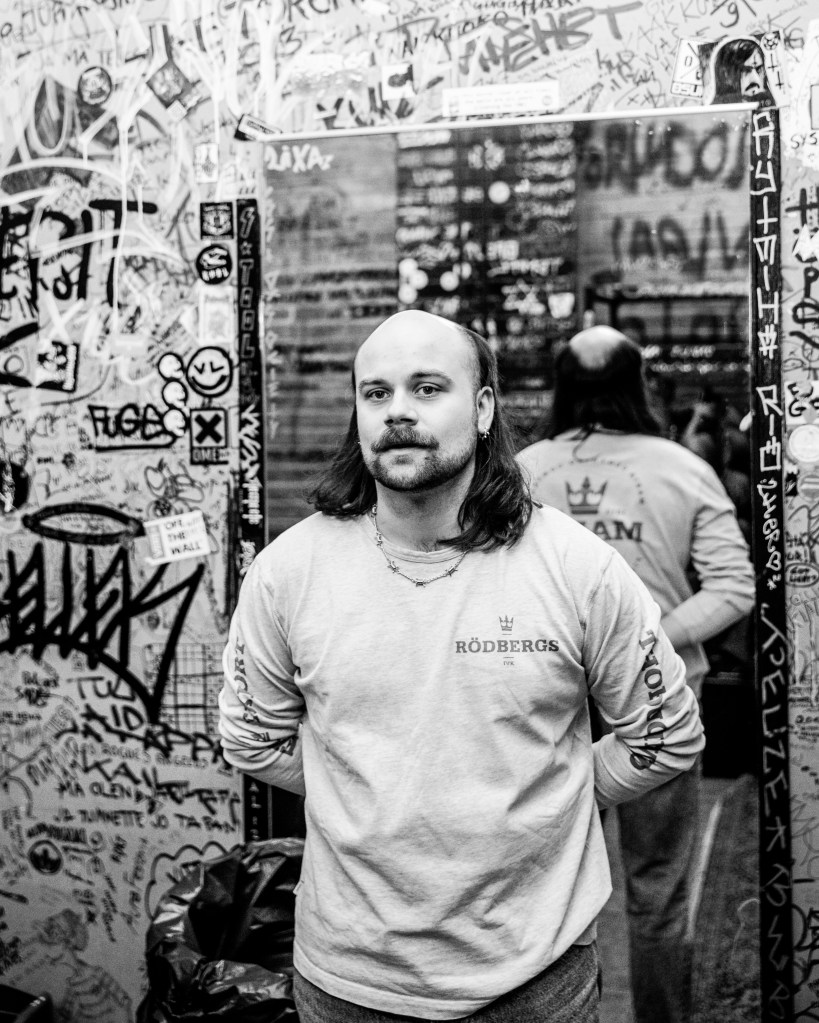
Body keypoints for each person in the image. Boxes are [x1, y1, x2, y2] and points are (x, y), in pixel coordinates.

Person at [219, 310, 705, 1023]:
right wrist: (372, 787)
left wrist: (555, 797)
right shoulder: (287, 572)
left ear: (481, 410)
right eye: (376, 393)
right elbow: (251, 738)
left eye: (426, 388)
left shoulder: (575, 566)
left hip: (535, 981)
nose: (398, 412)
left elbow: (666, 735)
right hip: (347, 982)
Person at [517, 325, 754, 1023]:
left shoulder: (523, 470)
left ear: (561, 387)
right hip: (658, 703)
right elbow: (734, 587)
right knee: (658, 890)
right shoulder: (683, 467)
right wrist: (648, 640)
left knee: (544, 888)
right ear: (639, 384)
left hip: (545, 703)